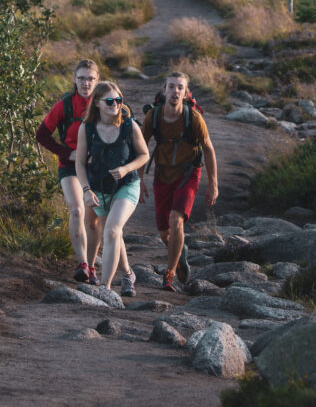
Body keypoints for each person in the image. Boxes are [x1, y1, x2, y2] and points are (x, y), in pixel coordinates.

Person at [140, 70, 219, 292]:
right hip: (162, 173)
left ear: (186, 94)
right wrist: (139, 180)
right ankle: (180, 253)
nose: (175, 91)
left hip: (188, 174)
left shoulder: (193, 118)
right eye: (172, 86)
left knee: (176, 221)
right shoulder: (153, 117)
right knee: (164, 232)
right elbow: (141, 147)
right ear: (164, 90)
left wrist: (213, 184)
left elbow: (209, 149)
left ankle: (170, 274)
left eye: (180, 87)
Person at [75, 80, 150, 294]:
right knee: (113, 233)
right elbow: (79, 164)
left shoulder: (129, 125)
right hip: (99, 188)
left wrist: (126, 169)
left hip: (127, 185)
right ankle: (128, 274)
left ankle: (105, 288)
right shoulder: (87, 128)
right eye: (109, 101)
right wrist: (86, 190)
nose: (115, 104)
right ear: (97, 103)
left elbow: (144, 155)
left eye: (118, 100)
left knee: (112, 229)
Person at [36, 59, 103, 283]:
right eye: (81, 78)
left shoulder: (105, 102)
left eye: (90, 79)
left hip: (97, 168)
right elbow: (42, 134)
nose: (85, 83)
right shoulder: (65, 104)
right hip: (70, 166)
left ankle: (93, 266)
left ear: (97, 80)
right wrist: (66, 153)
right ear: (75, 79)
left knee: (95, 219)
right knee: (76, 210)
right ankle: (82, 263)